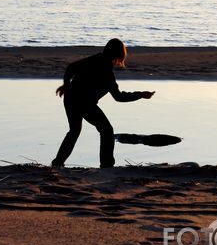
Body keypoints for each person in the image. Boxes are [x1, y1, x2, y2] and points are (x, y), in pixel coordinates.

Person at [51, 38, 154, 168]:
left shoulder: (95, 59)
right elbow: (119, 97)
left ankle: (57, 163)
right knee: (106, 130)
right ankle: (106, 165)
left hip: (71, 97)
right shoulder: (107, 72)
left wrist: (66, 86)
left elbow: (71, 68)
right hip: (84, 102)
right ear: (119, 55)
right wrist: (141, 95)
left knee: (74, 130)